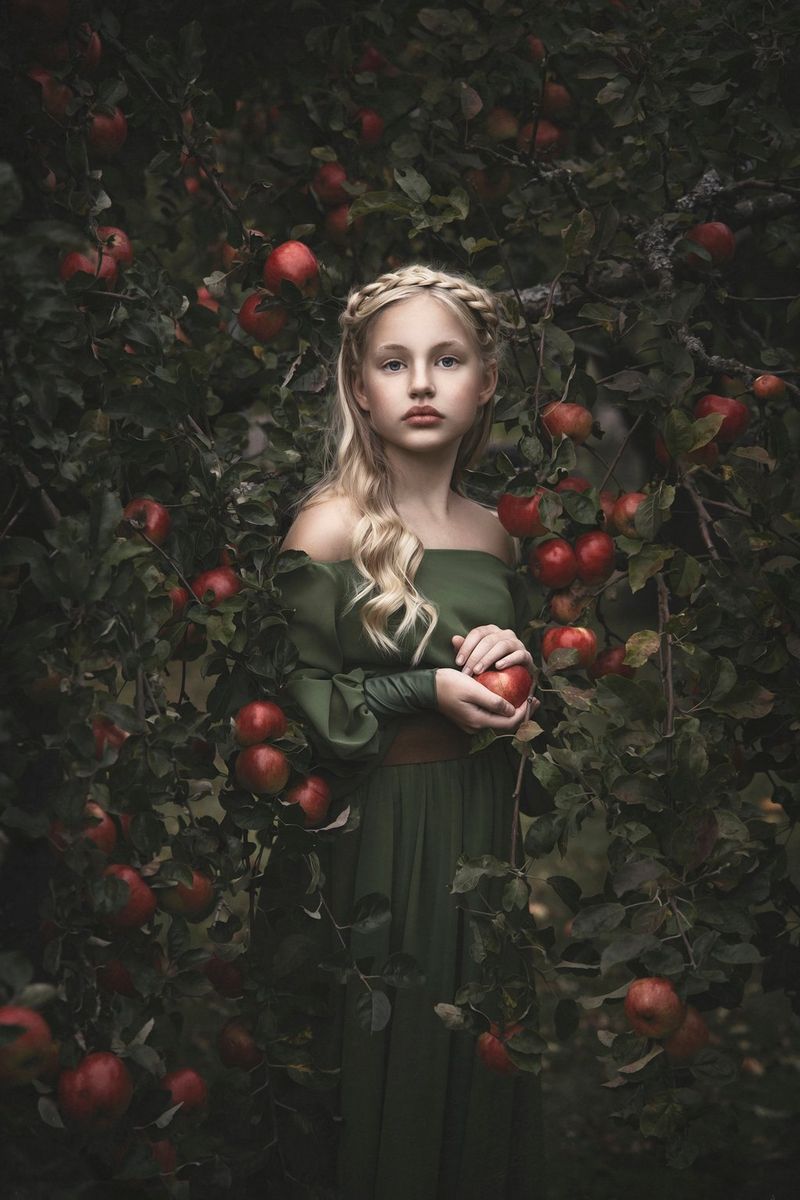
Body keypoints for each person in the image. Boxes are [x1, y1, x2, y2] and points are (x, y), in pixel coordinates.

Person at [264, 264, 547, 1199]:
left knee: (470, 1049)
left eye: (447, 358)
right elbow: (297, 694)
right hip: (373, 830)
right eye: (394, 362)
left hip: (475, 828)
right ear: (359, 387)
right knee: (381, 1051)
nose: (422, 383)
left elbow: (509, 704)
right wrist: (419, 687)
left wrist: (516, 674)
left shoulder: (495, 533)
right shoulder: (331, 526)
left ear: (486, 381)